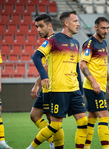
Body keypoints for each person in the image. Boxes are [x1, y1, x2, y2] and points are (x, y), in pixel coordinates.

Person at [26, 11, 88, 149]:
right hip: (58, 89)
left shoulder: (76, 43)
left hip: (74, 90)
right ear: (66, 23)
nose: (78, 24)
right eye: (75, 21)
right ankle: (32, 147)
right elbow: (36, 57)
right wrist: (44, 76)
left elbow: (76, 69)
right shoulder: (54, 39)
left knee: (83, 121)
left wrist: (81, 89)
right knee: (55, 124)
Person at [80, 17, 109, 149]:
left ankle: (86, 147)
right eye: (103, 28)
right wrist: (94, 83)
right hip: (93, 87)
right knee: (104, 116)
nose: (105, 31)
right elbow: (82, 64)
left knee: (92, 117)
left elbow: (103, 65)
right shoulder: (89, 43)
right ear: (96, 28)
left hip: (101, 85)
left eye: (107, 28)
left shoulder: (104, 43)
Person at [30, 14, 57, 149]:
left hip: (51, 87)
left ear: (49, 25)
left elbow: (46, 67)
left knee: (52, 120)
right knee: (35, 115)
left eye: (41, 26)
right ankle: (52, 143)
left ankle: (54, 145)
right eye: (37, 27)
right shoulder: (47, 42)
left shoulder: (53, 41)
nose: (38, 29)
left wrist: (36, 85)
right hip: (45, 87)